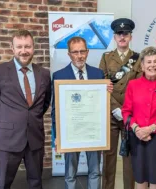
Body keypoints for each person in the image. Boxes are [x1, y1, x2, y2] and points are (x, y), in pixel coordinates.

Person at [0, 29, 51, 189]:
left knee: (36, 183)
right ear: (12, 49)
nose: (24, 51)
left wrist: (30, 120)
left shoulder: (45, 74)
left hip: (34, 138)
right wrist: (4, 122)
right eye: (19, 46)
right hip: (7, 139)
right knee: (2, 184)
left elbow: (45, 102)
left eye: (27, 46)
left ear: (33, 48)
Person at [51, 36, 113, 189]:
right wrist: (56, 135)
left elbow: (101, 104)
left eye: (82, 51)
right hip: (70, 132)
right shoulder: (59, 76)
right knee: (70, 174)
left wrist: (108, 92)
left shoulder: (98, 74)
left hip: (93, 131)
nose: (79, 55)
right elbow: (55, 109)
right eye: (75, 52)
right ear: (69, 54)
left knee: (94, 171)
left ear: (87, 52)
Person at [121, 46, 156, 189]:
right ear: (142, 66)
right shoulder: (133, 85)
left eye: (155, 61)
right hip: (136, 137)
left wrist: (149, 129)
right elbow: (126, 111)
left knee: (155, 178)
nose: (152, 65)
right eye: (149, 62)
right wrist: (137, 129)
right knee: (140, 177)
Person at [99, 18, 142, 189]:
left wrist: (126, 112)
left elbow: (140, 87)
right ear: (114, 37)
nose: (122, 37)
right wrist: (115, 108)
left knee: (129, 159)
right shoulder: (106, 57)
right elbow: (101, 86)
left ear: (130, 36)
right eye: (119, 34)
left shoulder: (138, 59)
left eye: (126, 34)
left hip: (130, 116)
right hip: (110, 115)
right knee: (108, 158)